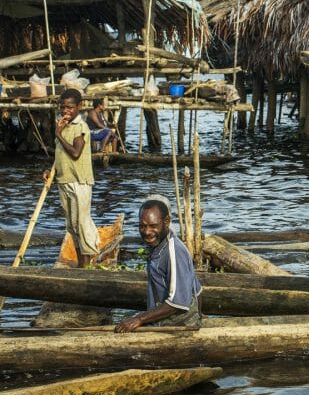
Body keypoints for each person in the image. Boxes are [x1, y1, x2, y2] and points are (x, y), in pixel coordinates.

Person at [115, 195, 203, 332]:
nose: (147, 232)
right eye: (142, 226)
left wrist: (140, 319)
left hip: (177, 324)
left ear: (166, 221)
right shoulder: (160, 245)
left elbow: (178, 303)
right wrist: (199, 316)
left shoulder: (174, 251)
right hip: (170, 318)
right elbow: (197, 290)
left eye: (153, 226)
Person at [49, 88, 100, 268]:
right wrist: (51, 171)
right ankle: (80, 264)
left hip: (79, 182)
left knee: (81, 223)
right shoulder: (63, 125)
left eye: (70, 108)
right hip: (64, 180)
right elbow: (60, 154)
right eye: (62, 107)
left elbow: (76, 153)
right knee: (71, 226)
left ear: (79, 107)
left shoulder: (80, 126)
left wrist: (58, 134)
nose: (65, 111)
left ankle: (86, 267)